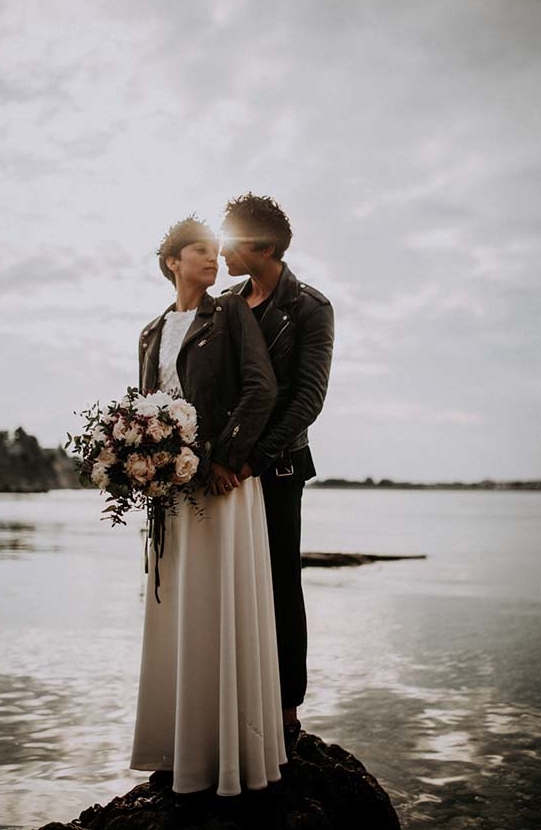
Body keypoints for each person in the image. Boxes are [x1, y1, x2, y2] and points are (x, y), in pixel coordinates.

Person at [130, 216, 286, 797]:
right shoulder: (150, 331)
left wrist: (225, 457)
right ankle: (178, 749)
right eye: (200, 249)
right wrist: (141, 461)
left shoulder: (231, 314)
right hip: (171, 491)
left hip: (221, 484)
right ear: (173, 261)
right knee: (177, 611)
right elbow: (146, 405)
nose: (212, 258)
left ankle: (229, 755)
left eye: (216, 251)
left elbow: (260, 388)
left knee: (218, 607)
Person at [220, 194, 334, 752]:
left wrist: (255, 458)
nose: (221, 250)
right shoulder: (225, 305)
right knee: (227, 584)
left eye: (230, 240)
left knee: (281, 583)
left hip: (280, 467)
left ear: (263, 247)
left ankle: (287, 709)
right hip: (223, 468)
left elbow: (308, 399)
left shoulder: (310, 307)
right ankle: (230, 701)